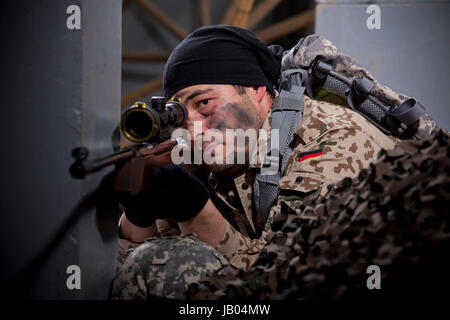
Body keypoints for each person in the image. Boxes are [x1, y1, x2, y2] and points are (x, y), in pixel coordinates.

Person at [111, 25, 398, 299]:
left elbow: (286, 281)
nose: (194, 129)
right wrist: (139, 217)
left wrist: (193, 208)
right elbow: (124, 275)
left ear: (256, 90)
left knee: (170, 261)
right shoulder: (210, 158)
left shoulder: (331, 140)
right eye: (181, 116)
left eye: (205, 104)